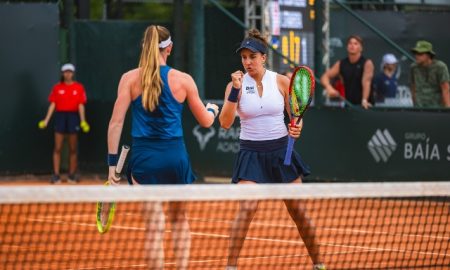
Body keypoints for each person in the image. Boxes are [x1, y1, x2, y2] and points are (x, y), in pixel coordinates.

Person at [106, 25, 219, 270]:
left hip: (144, 159)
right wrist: (213, 109)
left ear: (144, 47)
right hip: (175, 158)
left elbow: (115, 123)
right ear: (169, 48)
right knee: (179, 222)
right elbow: (206, 121)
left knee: (154, 228)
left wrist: (112, 166)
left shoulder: (129, 79)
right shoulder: (183, 80)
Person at [219, 29, 326, 270]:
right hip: (251, 154)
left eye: (252, 57)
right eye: (244, 57)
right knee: (246, 209)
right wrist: (235, 91)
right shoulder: (234, 85)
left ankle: (319, 264)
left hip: (281, 152)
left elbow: (296, 116)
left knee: (298, 211)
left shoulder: (280, 81)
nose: (247, 62)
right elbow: (225, 123)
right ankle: (231, 267)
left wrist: (297, 127)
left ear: (263, 57)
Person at [38, 63, 89, 184]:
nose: (68, 73)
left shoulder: (79, 87)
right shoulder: (57, 88)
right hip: (60, 117)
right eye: (66, 71)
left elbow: (81, 105)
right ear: (62, 73)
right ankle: (56, 175)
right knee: (57, 148)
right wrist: (46, 120)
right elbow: (53, 105)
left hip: (73, 118)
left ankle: (71, 175)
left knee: (73, 149)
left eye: (70, 71)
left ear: (73, 73)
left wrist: (83, 121)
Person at [320, 35, 374, 109]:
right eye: (350, 43)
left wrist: (364, 100)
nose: (352, 45)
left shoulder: (367, 63)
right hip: (349, 106)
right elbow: (324, 77)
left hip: (365, 106)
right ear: (347, 47)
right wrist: (329, 88)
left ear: (361, 48)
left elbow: (366, 82)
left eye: (355, 44)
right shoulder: (341, 64)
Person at [410, 40, 450, 108]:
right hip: (419, 107)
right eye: (415, 53)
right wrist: (415, 107)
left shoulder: (440, 67)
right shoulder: (413, 67)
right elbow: (413, 87)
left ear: (428, 55)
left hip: (436, 108)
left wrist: (448, 109)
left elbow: (445, 89)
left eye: (420, 54)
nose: (417, 56)